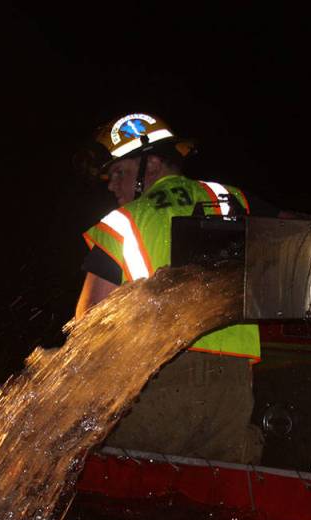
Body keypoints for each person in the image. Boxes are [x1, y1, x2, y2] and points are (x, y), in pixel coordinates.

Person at [76, 112, 270, 464]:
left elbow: (90, 319)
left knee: (114, 474)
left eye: (118, 172)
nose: (111, 185)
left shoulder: (122, 222)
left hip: (162, 374)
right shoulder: (232, 198)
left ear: (150, 165)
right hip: (234, 386)